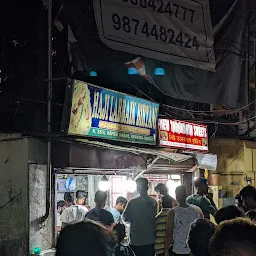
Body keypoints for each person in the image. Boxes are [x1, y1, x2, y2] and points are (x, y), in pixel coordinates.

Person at [165, 186, 203, 256]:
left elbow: (169, 234)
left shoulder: (172, 212)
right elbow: (202, 230)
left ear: (176, 196)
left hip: (179, 250)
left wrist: (166, 250)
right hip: (194, 249)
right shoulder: (197, 210)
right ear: (186, 195)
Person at [123, 177, 157, 256]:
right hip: (150, 240)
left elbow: (125, 218)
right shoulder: (153, 202)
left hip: (136, 241)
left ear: (137, 188)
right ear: (147, 187)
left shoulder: (132, 203)